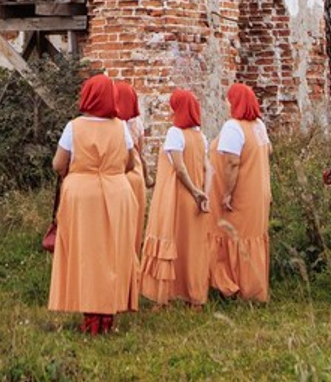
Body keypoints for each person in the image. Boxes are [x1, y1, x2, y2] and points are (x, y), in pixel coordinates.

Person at [48, 73, 140, 335]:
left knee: (87, 254)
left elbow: (58, 164)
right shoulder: (120, 127)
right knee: (112, 253)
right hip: (116, 192)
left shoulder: (74, 127)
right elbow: (131, 163)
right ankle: (107, 315)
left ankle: (90, 317)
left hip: (82, 195)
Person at [140, 89, 211, 306]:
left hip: (177, 196)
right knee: (193, 247)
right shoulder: (201, 136)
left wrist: (193, 191)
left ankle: (165, 296)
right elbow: (208, 167)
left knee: (171, 239)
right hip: (197, 197)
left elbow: (179, 169)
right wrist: (203, 193)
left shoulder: (175, 134)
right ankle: (194, 296)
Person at [209, 81, 271, 302]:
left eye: (228, 99)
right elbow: (267, 151)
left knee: (233, 235)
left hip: (241, 192)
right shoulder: (259, 126)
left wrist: (227, 193)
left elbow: (232, 163)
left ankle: (233, 285)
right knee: (252, 236)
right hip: (259, 191)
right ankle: (255, 286)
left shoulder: (233, 127)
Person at [113, 78, 149, 255]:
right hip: (137, 174)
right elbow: (140, 152)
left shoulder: (113, 125)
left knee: (118, 225)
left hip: (119, 175)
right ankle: (134, 265)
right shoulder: (137, 124)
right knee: (135, 223)